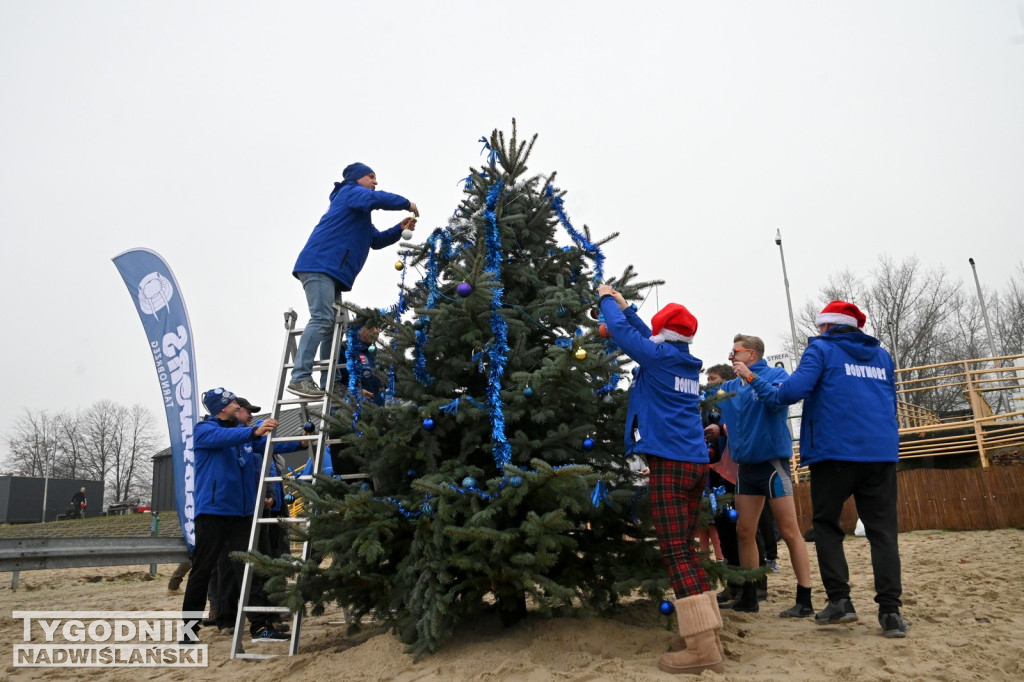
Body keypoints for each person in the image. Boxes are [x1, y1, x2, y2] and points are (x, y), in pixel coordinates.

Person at [598, 285, 724, 676]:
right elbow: (642, 333)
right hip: (695, 464)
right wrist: (626, 305)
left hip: (669, 463)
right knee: (686, 548)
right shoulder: (683, 361)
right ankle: (707, 635)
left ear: (663, 334)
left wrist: (605, 299)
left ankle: (703, 649)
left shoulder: (657, 359)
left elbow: (623, 334)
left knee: (675, 552)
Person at [772, 300, 909, 638]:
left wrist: (771, 392)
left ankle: (840, 602)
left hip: (834, 451)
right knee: (883, 532)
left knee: (827, 526)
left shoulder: (821, 349)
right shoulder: (882, 355)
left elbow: (794, 390)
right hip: (879, 452)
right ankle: (890, 613)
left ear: (828, 326)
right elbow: (890, 402)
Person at [287, 163, 418, 398]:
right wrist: (406, 203)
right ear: (357, 179)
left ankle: (332, 382)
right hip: (320, 266)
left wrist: (399, 228)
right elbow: (377, 199)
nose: (375, 182)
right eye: (371, 177)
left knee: (332, 327)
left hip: (332, 272)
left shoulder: (359, 212)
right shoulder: (349, 192)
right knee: (322, 318)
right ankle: (299, 377)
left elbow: (376, 240)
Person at [709, 334, 814, 618]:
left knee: (790, 532)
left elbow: (778, 403)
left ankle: (805, 598)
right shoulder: (730, 386)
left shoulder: (776, 375)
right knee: (744, 531)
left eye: (735, 352)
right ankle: (750, 594)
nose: (730, 357)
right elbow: (707, 400)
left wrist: (753, 379)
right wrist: (718, 429)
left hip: (772, 466)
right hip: (746, 469)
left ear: (751, 355)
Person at [180, 387, 287, 644]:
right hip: (213, 513)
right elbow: (227, 437)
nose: (238, 407)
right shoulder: (204, 430)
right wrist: (253, 431)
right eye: (233, 404)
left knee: (249, 568)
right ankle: (188, 631)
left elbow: (269, 444)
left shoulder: (242, 436)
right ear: (222, 408)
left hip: (241, 515)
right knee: (202, 570)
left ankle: (260, 627)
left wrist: (303, 441)